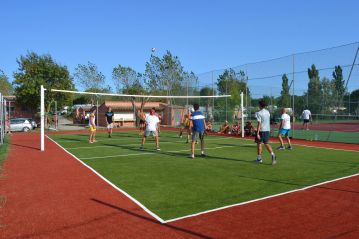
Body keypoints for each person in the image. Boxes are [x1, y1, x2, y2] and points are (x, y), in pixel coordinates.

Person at [255, 100, 276, 165]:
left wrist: (257, 133)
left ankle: (259, 159)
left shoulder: (259, 113)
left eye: (258, 104)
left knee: (259, 144)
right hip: (267, 130)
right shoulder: (268, 112)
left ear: (260, 105)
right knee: (266, 143)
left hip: (261, 131)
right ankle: (273, 155)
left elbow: (259, 123)